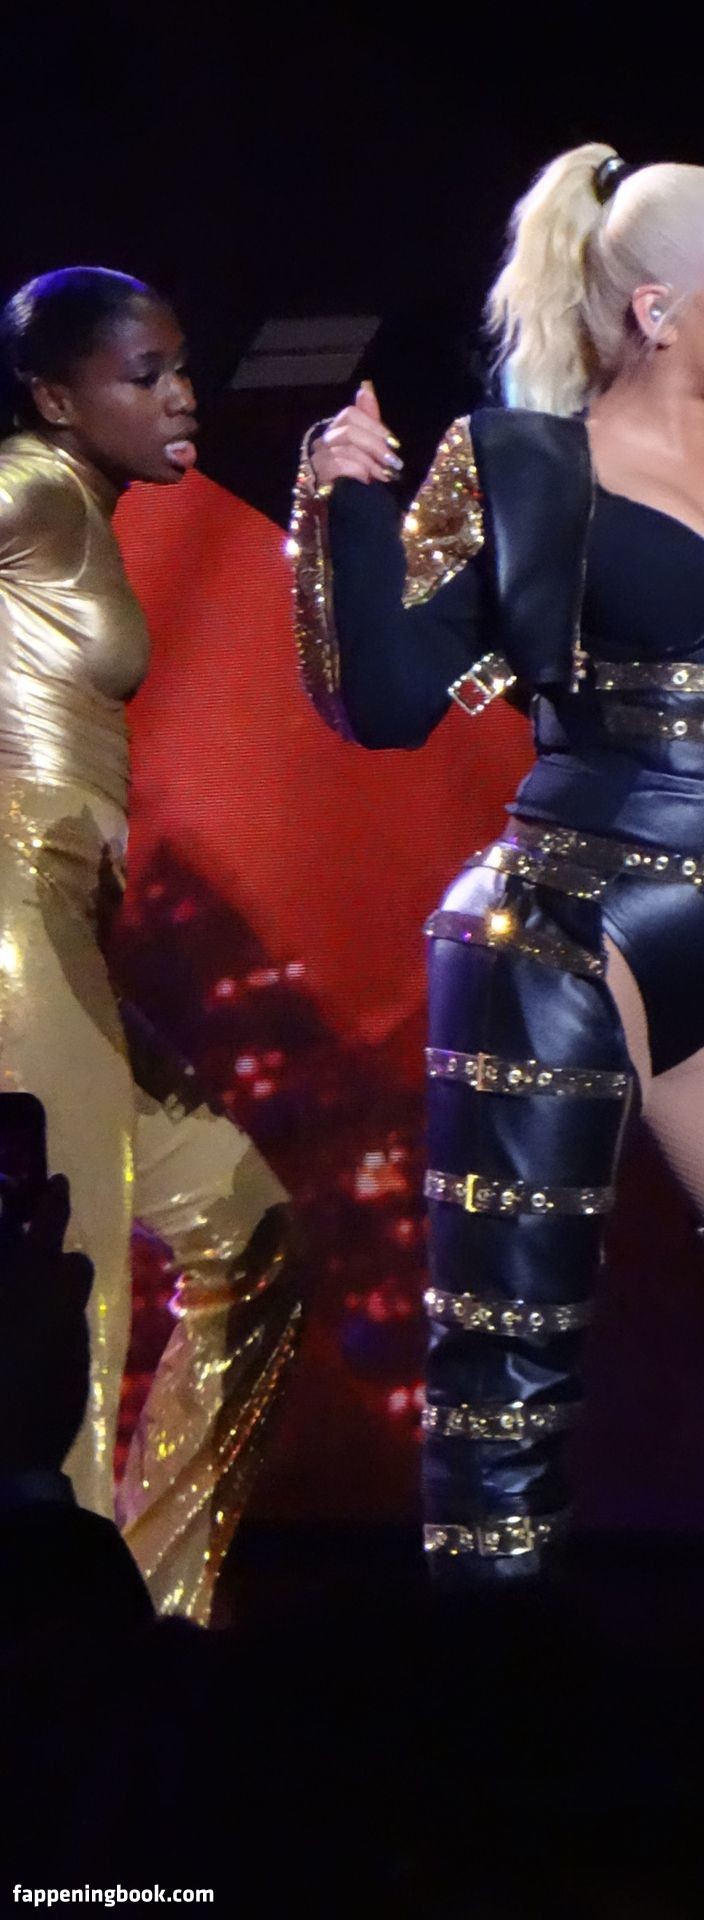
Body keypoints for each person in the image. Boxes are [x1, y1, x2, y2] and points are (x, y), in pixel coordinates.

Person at [289, 142, 704, 1595]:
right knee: (509, 1384)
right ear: (658, 311)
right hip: (568, 930)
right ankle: (485, 1724)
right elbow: (390, 701)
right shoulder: (522, 462)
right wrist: (343, 504)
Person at [0, 267, 302, 1619]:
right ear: (56, 399)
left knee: (253, 1233)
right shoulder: (31, 483)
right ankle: (56, 1648)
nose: (182, 397)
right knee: (69, 1281)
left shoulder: (79, 506)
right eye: (144, 375)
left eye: (182, 368)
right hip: (13, 907)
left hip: (62, 918)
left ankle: (155, 1613)